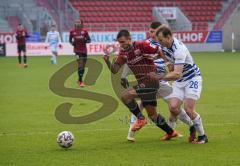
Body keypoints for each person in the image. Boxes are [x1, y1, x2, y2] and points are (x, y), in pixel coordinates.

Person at [122, 22, 195, 142]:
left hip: (161, 81)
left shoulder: (165, 45)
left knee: (174, 107)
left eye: (153, 32)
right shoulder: (144, 44)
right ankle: (131, 134)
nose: (151, 34)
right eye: (150, 31)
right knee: (140, 106)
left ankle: (189, 125)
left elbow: (169, 60)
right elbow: (130, 61)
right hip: (149, 81)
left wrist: (167, 65)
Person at [103, 29, 178, 141]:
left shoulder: (141, 45)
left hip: (151, 81)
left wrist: (168, 64)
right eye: (119, 43)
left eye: (123, 42)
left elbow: (158, 50)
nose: (121, 45)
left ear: (129, 39)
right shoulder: (123, 53)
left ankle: (140, 118)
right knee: (153, 115)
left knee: (125, 96)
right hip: (143, 83)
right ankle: (171, 132)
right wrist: (108, 61)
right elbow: (115, 70)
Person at [149, 25, 208, 144]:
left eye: (161, 40)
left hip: (192, 79)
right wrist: (157, 58)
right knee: (173, 107)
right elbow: (161, 52)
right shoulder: (164, 45)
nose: (159, 42)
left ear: (169, 37)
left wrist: (159, 77)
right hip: (180, 82)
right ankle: (192, 127)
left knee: (189, 109)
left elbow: (176, 74)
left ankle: (202, 136)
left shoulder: (179, 49)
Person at [69, 19, 91, 87]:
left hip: (84, 51)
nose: (77, 23)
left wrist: (85, 40)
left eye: (78, 22)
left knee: (83, 67)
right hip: (77, 51)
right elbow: (70, 40)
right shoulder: (72, 32)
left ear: (81, 23)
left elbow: (89, 40)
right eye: (76, 22)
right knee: (80, 65)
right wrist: (73, 43)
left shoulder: (84, 32)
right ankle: (81, 82)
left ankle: (79, 79)